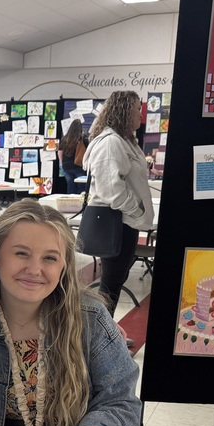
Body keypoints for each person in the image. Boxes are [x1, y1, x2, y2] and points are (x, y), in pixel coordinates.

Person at [0, 200, 146, 426]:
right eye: (21, 253)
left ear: (65, 264)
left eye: (50, 258)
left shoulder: (88, 318)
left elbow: (122, 401)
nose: (34, 269)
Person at [83, 91, 155, 315]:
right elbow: (110, 190)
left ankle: (106, 334)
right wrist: (137, 207)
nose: (140, 114)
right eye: (136, 109)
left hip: (126, 222)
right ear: (123, 111)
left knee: (115, 283)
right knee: (110, 286)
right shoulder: (111, 142)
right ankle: (100, 337)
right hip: (117, 222)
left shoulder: (124, 140)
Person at [58, 118, 88, 194]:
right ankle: (80, 204)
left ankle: (69, 203)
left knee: (70, 185)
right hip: (78, 165)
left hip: (66, 166)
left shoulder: (65, 138)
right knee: (81, 187)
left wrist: (62, 163)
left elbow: (59, 152)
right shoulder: (82, 138)